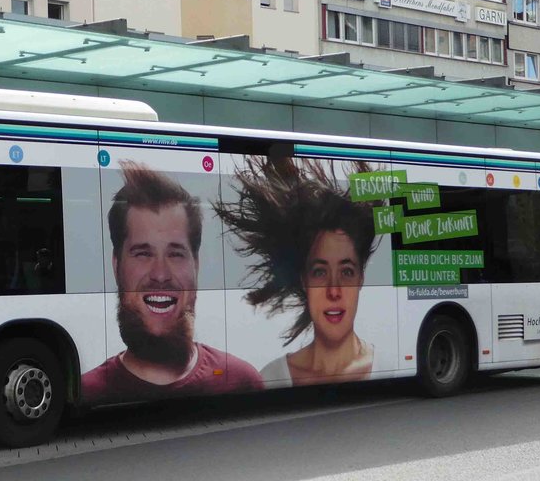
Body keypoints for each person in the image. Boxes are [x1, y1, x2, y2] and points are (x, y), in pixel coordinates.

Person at [82, 162, 263, 404]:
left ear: (196, 265)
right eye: (143, 253)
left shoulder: (243, 382)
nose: (160, 274)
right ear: (116, 266)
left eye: (175, 254)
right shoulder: (89, 393)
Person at [215, 155, 378, 386]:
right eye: (320, 273)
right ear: (303, 280)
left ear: (361, 277)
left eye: (347, 272)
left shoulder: (385, 364)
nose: (334, 291)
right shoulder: (272, 377)